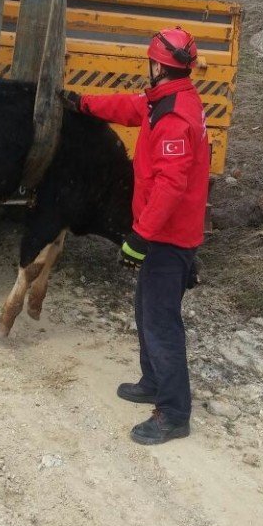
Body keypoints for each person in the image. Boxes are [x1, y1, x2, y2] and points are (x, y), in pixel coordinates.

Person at [61, 27, 210, 445]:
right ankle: (152, 381)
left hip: (168, 235)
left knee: (161, 321)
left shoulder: (175, 118)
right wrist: (83, 103)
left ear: (159, 64)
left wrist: (141, 237)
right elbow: (130, 107)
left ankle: (174, 413)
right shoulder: (167, 100)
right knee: (147, 308)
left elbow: (171, 185)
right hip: (166, 231)